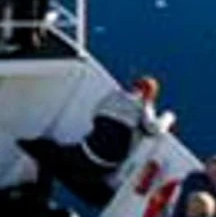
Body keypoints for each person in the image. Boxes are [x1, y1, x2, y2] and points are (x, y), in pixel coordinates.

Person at [19, 76, 161, 208]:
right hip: (107, 164)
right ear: (150, 96)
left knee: (44, 149)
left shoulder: (113, 96)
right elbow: (153, 129)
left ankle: (38, 195)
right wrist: (168, 117)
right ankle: (89, 187)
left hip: (87, 152)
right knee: (64, 161)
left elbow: (96, 115)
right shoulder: (144, 106)